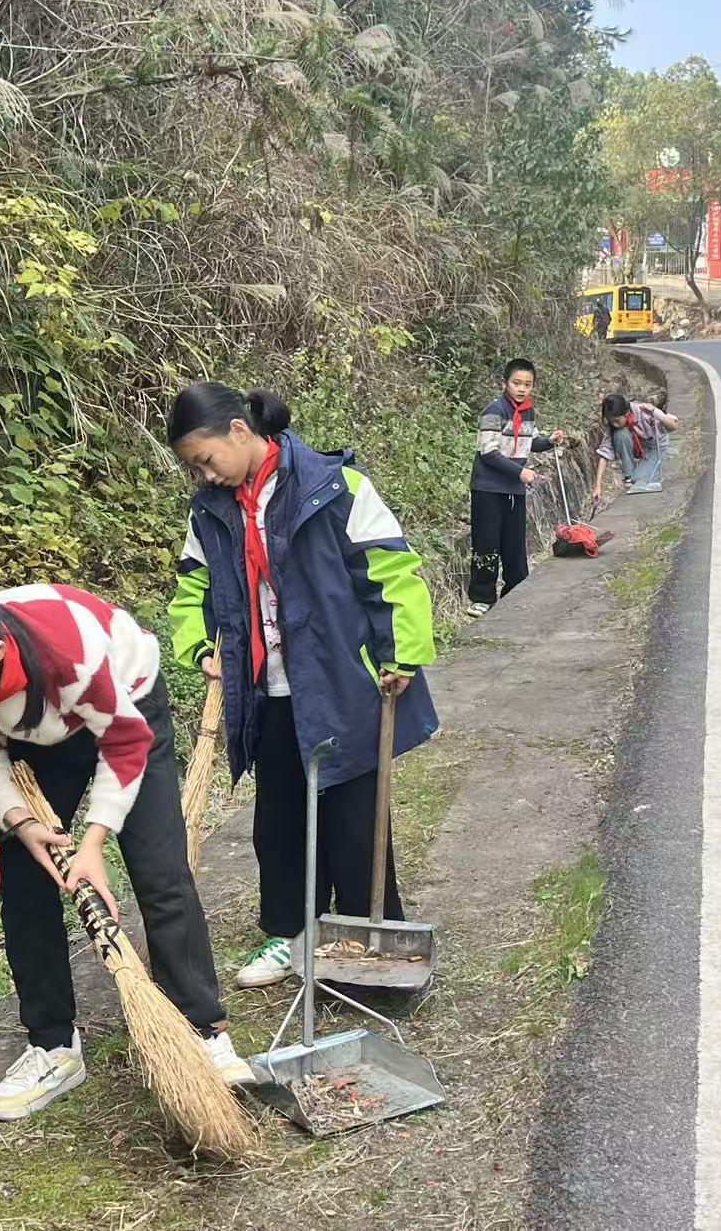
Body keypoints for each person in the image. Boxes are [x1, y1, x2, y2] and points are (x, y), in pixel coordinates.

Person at [0, 581, 251, 1122]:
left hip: (126, 709)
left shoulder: (71, 649)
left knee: (160, 872)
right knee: (24, 879)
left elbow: (125, 743)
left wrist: (92, 843)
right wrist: (20, 821)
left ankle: (203, 1030)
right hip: (40, 734)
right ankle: (54, 1045)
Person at [165, 383, 439, 989]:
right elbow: (192, 588)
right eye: (193, 468)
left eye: (205, 459)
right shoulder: (208, 512)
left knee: (354, 816)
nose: (203, 476)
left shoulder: (336, 486)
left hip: (345, 679)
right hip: (268, 691)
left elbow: (391, 568)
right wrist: (203, 646)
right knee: (281, 821)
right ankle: (292, 935)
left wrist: (402, 652)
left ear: (240, 431)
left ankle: (366, 937)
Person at [466, 358, 565, 618]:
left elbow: (530, 441)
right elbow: (488, 452)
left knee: (514, 543)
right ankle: (482, 597)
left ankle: (515, 590)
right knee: (487, 542)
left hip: (514, 489)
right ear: (505, 383)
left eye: (527, 384)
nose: (522, 389)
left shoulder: (528, 412)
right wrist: (520, 471)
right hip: (488, 488)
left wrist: (549, 441)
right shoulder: (494, 411)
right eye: (516, 383)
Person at [591, 393, 680, 506]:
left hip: (655, 448)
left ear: (627, 413)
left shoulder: (644, 412)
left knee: (639, 479)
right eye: (611, 421)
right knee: (620, 434)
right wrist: (598, 486)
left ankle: (640, 472)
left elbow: (673, 426)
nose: (614, 424)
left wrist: (656, 412)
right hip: (639, 446)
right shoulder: (614, 426)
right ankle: (629, 476)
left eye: (617, 420)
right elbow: (604, 454)